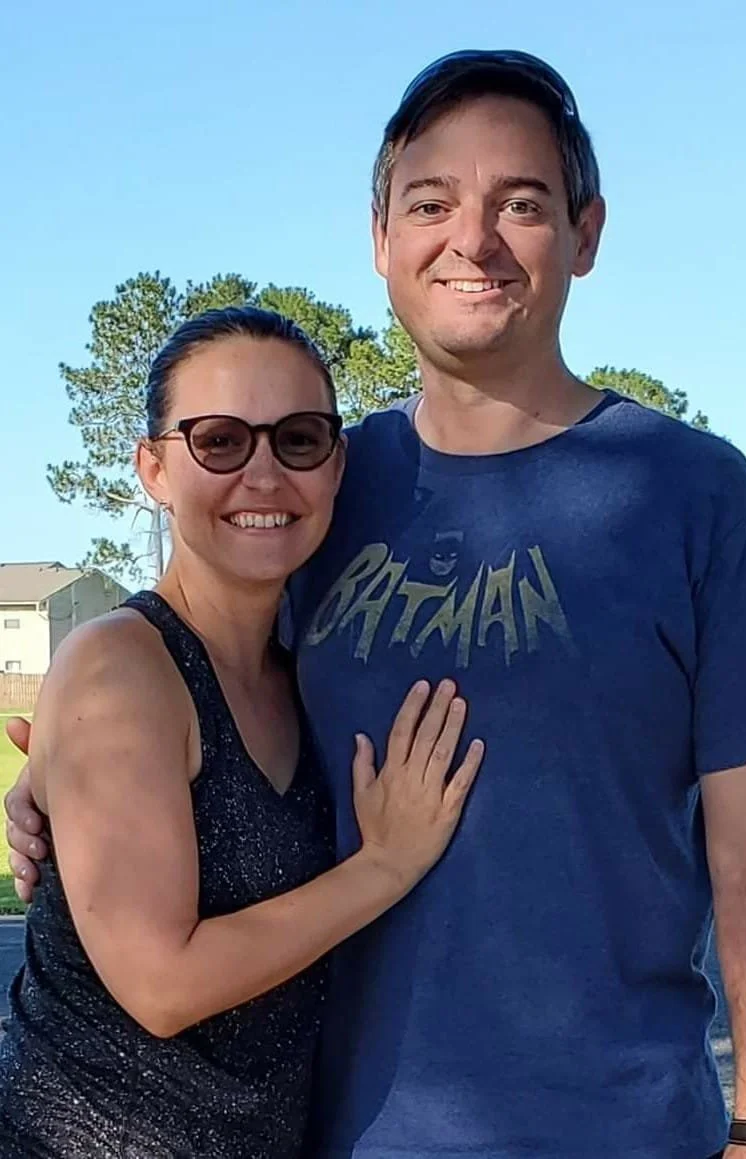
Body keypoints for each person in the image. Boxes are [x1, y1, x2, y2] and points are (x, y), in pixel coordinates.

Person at [8, 48, 746, 1159]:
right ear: (382, 239)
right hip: (342, 1132)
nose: (471, 239)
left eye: (520, 203)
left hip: (626, 1127)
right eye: (430, 202)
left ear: (586, 233)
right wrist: (60, 770)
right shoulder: (324, 483)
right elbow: (195, 675)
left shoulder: (693, 492)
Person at [0, 306, 483, 1158]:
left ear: (335, 465)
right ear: (153, 467)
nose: (263, 474)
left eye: (297, 439)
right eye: (220, 440)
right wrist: (384, 865)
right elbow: (160, 982)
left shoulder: (303, 671)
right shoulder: (121, 664)